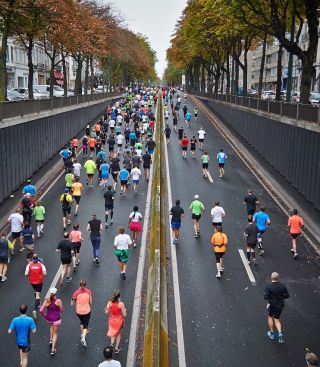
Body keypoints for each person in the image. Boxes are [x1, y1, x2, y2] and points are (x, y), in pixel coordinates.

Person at [264, 272, 289, 343]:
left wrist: (271, 298)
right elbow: (287, 295)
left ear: (271, 278)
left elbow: (265, 297)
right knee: (277, 319)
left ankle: (272, 334)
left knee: (270, 317)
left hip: (272, 305)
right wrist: (281, 297)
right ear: (278, 278)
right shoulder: (283, 286)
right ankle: (280, 333)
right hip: (280, 305)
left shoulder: (268, 286)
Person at [39, 288, 63, 356]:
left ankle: (50, 340)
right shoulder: (58, 301)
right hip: (56, 319)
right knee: (55, 333)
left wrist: (44, 315)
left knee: (51, 326)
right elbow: (61, 310)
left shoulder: (46, 300)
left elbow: (40, 310)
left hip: (49, 319)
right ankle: (53, 349)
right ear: (55, 293)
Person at [71, 279, 92, 349]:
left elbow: (72, 302)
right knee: (86, 325)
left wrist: (75, 301)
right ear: (85, 285)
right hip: (86, 311)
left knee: (81, 322)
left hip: (78, 311)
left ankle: (82, 334)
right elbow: (91, 302)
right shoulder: (88, 292)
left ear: (79, 285)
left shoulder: (75, 293)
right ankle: (83, 338)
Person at [25, 254, 47, 319]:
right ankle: (35, 310)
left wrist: (31, 273)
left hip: (32, 282)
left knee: (36, 292)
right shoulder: (41, 265)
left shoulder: (29, 264)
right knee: (37, 295)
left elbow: (26, 273)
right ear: (38, 258)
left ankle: (38, 302)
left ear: (32, 258)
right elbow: (45, 273)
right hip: (39, 282)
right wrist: (40, 272)